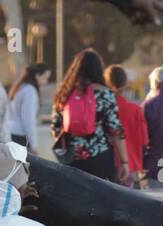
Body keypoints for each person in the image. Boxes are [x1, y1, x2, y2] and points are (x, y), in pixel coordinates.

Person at [52, 49, 130, 184]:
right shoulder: (105, 94)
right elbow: (116, 130)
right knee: (102, 202)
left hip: (71, 159)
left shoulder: (64, 94)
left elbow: (55, 128)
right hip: (100, 158)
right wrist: (124, 162)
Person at [106, 64, 148, 188]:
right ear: (125, 84)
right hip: (131, 167)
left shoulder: (101, 108)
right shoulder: (135, 110)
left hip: (106, 167)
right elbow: (144, 142)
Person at [9, 63, 52, 150]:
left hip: (12, 133)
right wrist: (34, 145)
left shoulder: (20, 87)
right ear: (37, 76)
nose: (46, 82)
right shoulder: (30, 91)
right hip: (20, 136)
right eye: (45, 78)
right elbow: (28, 119)